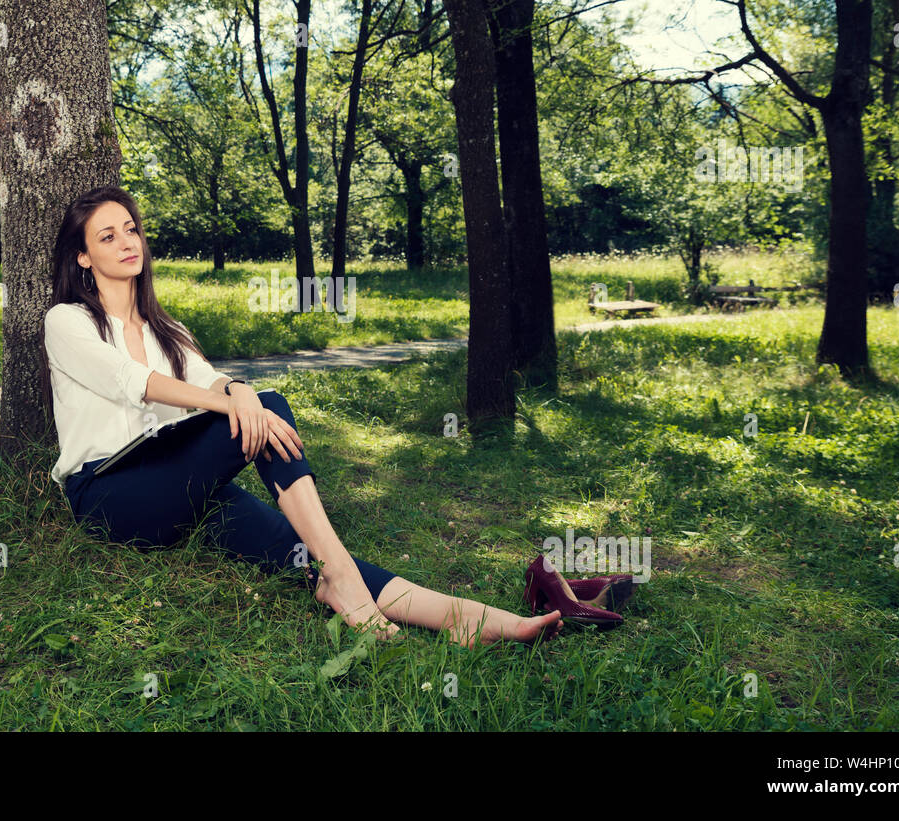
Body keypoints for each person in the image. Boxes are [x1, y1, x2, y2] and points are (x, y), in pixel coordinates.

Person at [40, 186, 623, 646]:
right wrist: (240, 399)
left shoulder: (167, 331)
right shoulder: (67, 321)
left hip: (181, 492)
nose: (127, 241)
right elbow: (132, 383)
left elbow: (209, 379)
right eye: (107, 235)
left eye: (132, 229)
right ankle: (342, 578)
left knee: (302, 552)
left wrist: (236, 388)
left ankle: (474, 618)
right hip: (109, 496)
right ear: (83, 256)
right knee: (262, 411)